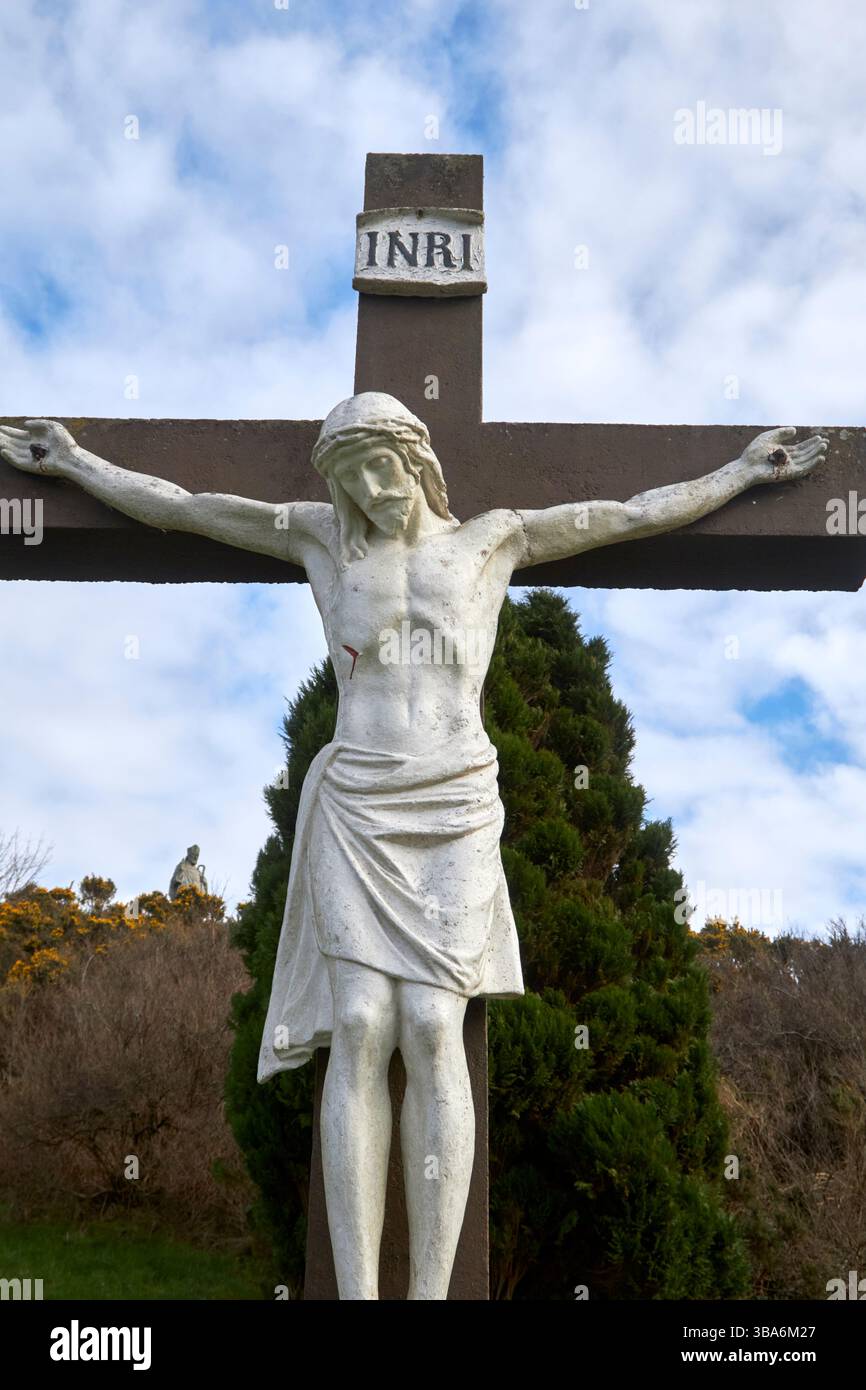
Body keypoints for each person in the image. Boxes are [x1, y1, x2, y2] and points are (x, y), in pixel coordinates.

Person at [0, 396, 827, 1299]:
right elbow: (190, 505)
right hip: (358, 796)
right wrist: (80, 467)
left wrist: (740, 473)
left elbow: (624, 513)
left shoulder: (491, 541)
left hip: (456, 800)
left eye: (379, 468)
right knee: (360, 1024)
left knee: (434, 1025)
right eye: (347, 478)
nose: (367, 491)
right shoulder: (324, 541)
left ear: (418, 458)